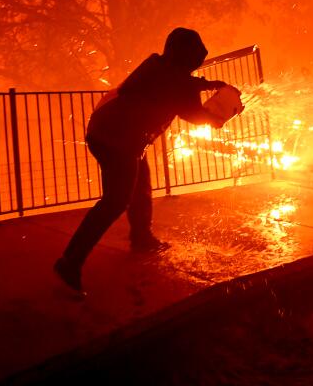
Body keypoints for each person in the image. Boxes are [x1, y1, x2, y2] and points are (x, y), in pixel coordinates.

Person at [54, 27, 234, 294]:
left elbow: (179, 83)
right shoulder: (175, 80)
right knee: (115, 200)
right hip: (118, 139)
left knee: (140, 183)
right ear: (187, 56)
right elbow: (192, 112)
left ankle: (141, 237)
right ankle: (70, 261)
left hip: (112, 131)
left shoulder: (158, 65)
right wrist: (215, 117)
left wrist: (208, 85)